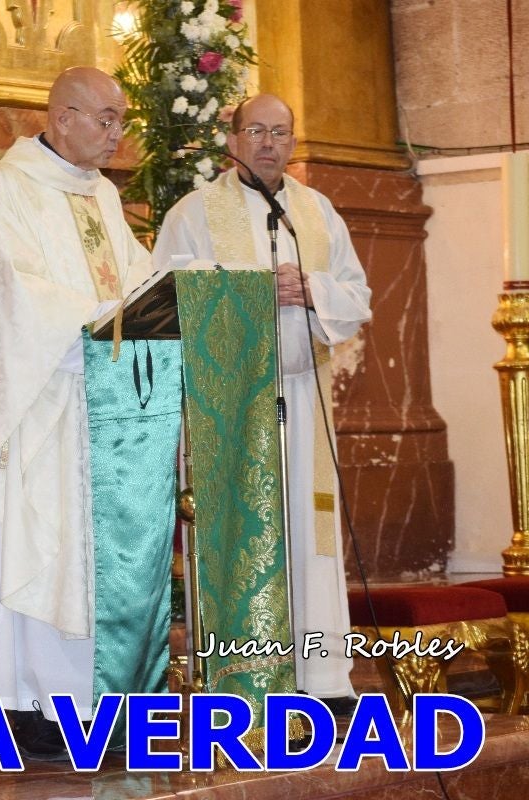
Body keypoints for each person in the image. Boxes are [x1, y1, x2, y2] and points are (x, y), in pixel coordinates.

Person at [0, 67, 162, 760]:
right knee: (40, 551)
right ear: (61, 117)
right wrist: (101, 319)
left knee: (91, 562)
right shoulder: (10, 190)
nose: (117, 134)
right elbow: (14, 297)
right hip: (39, 409)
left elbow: (140, 282)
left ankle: (94, 702)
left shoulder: (102, 196)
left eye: (121, 120)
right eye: (105, 119)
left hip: (101, 410)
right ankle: (30, 704)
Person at [152, 93, 372, 711]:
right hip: (232, 402)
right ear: (233, 140)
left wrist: (312, 288)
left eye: (280, 132)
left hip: (303, 396)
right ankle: (244, 679)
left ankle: (320, 680)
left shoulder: (316, 211)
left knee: (308, 532)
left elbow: (357, 295)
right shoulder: (194, 213)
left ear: (293, 143)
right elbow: (165, 296)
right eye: (256, 131)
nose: (268, 143)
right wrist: (249, 294)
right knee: (245, 534)